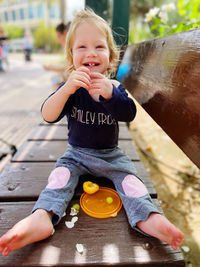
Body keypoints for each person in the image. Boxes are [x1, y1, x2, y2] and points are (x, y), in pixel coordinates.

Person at [0, 9, 184, 257]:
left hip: (111, 155)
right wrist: (65, 89)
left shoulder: (115, 87)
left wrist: (109, 94)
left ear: (110, 57)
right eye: (82, 47)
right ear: (72, 56)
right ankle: (43, 216)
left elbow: (128, 113)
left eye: (99, 46)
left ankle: (147, 217)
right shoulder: (70, 89)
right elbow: (48, 114)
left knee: (130, 181)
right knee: (60, 177)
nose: (91, 53)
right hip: (76, 154)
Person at [43, 22, 71, 90]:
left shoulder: (70, 47)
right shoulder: (67, 47)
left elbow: (67, 68)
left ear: (65, 33)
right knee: (55, 80)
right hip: (69, 80)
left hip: (71, 82)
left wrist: (51, 67)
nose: (58, 40)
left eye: (58, 36)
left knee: (55, 86)